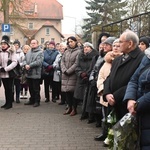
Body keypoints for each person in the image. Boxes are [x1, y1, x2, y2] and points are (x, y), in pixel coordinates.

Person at [102, 30, 144, 146]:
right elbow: (109, 79)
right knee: (117, 141)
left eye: (120, 42)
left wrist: (115, 96)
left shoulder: (141, 59)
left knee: (128, 142)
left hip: (127, 106)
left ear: (130, 44)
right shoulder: (118, 59)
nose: (118, 44)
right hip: (114, 104)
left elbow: (135, 82)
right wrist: (107, 93)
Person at [94, 39, 122, 141]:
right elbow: (101, 76)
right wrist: (103, 89)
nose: (115, 47)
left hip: (116, 95)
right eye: (114, 45)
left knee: (116, 118)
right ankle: (105, 133)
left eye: (118, 46)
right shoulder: (107, 61)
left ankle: (113, 137)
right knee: (105, 116)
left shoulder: (123, 60)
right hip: (105, 94)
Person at [123, 46, 150, 150]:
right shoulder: (147, 56)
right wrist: (130, 98)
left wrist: (137, 104)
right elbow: (134, 79)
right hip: (141, 112)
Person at [72, 42, 98, 116]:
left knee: (87, 96)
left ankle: (87, 112)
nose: (86, 48)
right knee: (77, 94)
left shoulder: (95, 56)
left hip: (89, 78)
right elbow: (77, 67)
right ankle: (75, 109)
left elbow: (94, 68)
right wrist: (81, 73)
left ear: (91, 48)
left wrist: (87, 74)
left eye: (88, 47)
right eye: (84, 47)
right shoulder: (80, 56)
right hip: (81, 78)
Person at [61, 36, 81, 115]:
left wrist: (69, 71)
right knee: (67, 92)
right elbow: (62, 61)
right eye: (69, 42)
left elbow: (77, 63)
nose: (70, 43)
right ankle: (69, 107)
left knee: (73, 93)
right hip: (65, 74)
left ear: (75, 42)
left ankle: (74, 108)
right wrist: (64, 69)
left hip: (73, 75)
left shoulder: (79, 52)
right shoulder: (66, 51)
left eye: (72, 41)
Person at [24, 39, 44, 107]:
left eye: (34, 43)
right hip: (29, 73)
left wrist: (30, 65)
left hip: (36, 73)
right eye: (31, 43)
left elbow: (39, 62)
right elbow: (24, 60)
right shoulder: (28, 52)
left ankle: (37, 101)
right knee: (30, 88)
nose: (32, 44)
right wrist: (25, 65)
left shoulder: (40, 52)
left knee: (36, 88)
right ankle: (32, 99)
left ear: (37, 44)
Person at [0, 35, 18, 109]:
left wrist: (6, 69)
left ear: (7, 45)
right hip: (2, 73)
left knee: (10, 88)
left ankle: (9, 103)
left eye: (4, 44)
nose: (3, 45)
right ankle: (6, 102)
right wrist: (1, 68)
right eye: (2, 44)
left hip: (9, 73)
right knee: (5, 88)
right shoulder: (0, 52)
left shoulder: (11, 52)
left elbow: (14, 62)